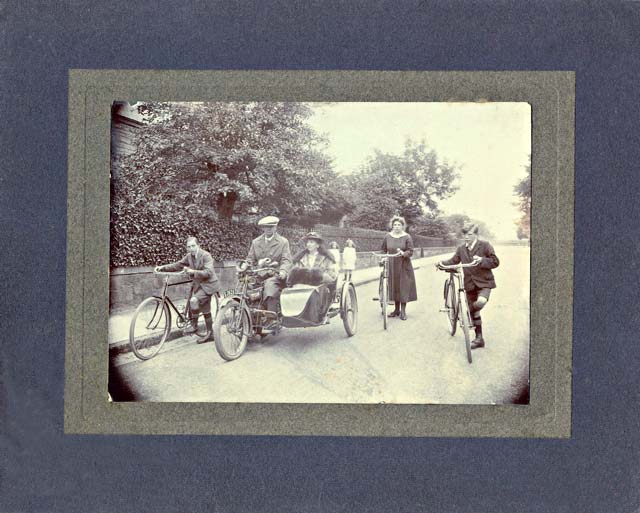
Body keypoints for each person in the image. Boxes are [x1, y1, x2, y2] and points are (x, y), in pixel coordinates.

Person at [437, 223, 500, 349]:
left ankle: (469, 314)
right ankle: (479, 338)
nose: (466, 237)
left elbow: (495, 262)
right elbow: (453, 261)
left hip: (484, 283)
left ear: (476, 235)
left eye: (470, 234)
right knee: (474, 312)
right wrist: (441, 263)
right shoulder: (461, 249)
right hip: (469, 284)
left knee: (480, 303)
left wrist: (482, 260)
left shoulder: (485, 245)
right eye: (465, 234)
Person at [155, 237, 220, 344]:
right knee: (204, 308)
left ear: (198, 245)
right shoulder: (189, 256)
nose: (191, 248)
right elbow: (178, 265)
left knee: (194, 301)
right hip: (198, 284)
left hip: (209, 284)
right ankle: (210, 333)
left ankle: (194, 325)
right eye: (189, 247)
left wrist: (192, 271)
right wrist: (162, 267)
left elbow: (209, 272)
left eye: (193, 246)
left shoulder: (206, 255)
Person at [245, 215, 292, 315]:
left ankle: (272, 318)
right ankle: (246, 316)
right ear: (263, 228)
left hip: (275, 275)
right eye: (266, 227)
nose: (269, 229)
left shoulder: (283, 242)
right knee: (245, 285)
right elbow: (249, 259)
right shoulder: (256, 242)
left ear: (276, 227)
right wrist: (245, 266)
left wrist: (283, 271)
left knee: (270, 287)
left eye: (271, 227)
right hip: (259, 274)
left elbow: (286, 260)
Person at [288, 232, 338, 323]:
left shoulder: (326, 257)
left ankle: (315, 315)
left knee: (315, 290)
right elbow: (295, 271)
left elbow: (332, 274)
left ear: (318, 245)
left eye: (311, 242)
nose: (308, 244)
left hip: (320, 285)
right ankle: (295, 314)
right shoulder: (301, 257)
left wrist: (319, 275)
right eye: (307, 242)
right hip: (303, 285)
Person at [381, 215, 417, 320]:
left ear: (402, 226)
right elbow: (383, 249)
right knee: (394, 286)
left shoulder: (407, 237)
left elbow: (410, 251)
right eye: (395, 225)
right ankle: (396, 310)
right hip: (391, 265)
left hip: (404, 265)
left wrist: (403, 253)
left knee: (403, 287)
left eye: (399, 225)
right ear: (392, 226)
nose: (396, 227)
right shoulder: (387, 236)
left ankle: (403, 311)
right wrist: (384, 258)